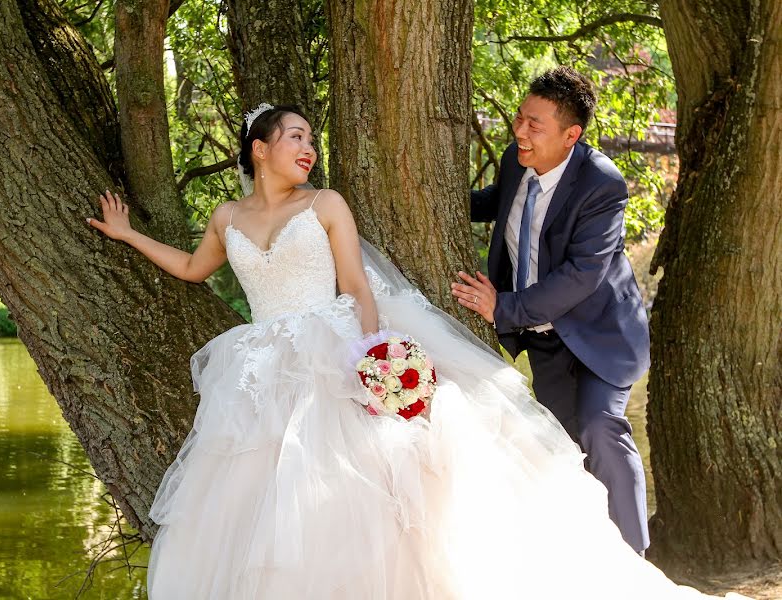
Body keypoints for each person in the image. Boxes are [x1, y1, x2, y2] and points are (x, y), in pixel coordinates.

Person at [87, 103, 744, 599]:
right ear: (259, 149)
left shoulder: (326, 204)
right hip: (261, 364)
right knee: (258, 492)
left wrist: (372, 356)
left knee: (371, 480)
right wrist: (126, 235)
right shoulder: (227, 218)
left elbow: (355, 287)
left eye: (313, 140)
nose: (308, 148)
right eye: (295, 138)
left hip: (332, 343)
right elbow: (191, 269)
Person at [452, 66, 650, 554]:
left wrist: (504, 306)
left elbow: (584, 273)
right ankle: (583, 561)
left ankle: (635, 562)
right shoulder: (515, 162)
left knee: (600, 430)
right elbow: (497, 204)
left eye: (533, 124)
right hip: (543, 341)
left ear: (571, 135)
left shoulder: (601, 183)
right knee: (560, 450)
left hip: (602, 337)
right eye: (519, 118)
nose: (519, 130)